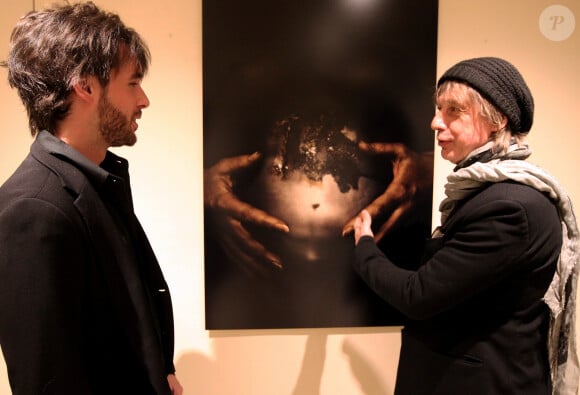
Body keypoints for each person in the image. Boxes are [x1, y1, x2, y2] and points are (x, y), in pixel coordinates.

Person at [352, 57, 579, 394]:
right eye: (437, 108)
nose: (434, 122)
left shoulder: (510, 208)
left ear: (497, 119)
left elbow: (417, 295)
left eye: (453, 110)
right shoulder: (492, 196)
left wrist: (365, 246)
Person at [0, 3, 183, 394]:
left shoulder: (96, 183)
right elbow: (46, 381)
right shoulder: (33, 208)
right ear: (85, 86)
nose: (144, 99)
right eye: (133, 83)